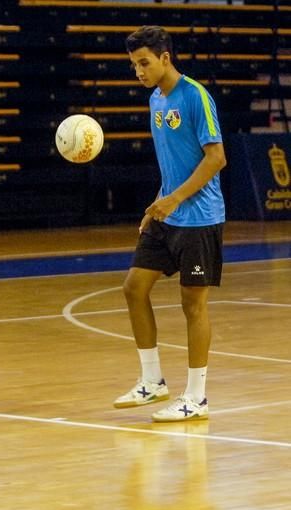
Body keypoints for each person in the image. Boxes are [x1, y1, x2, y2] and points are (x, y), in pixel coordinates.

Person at [113, 26, 227, 422]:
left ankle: (196, 398)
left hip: (199, 218)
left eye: (144, 62)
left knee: (192, 304)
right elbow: (173, 163)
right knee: (133, 288)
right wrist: (157, 205)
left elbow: (216, 159)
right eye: (133, 65)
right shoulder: (155, 101)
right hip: (167, 214)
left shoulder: (195, 96)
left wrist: (175, 198)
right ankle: (152, 382)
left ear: (165, 57)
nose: (139, 71)